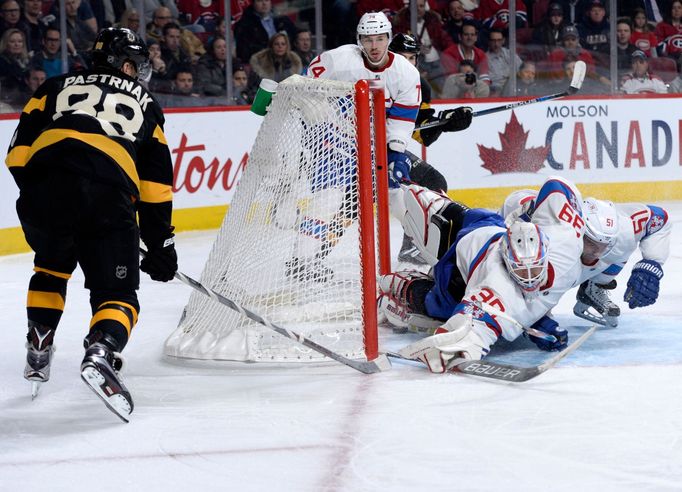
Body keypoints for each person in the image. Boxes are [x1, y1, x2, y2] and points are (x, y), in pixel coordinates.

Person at [5, 27, 177, 421]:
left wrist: (51, 192)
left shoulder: (52, 86)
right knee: (118, 293)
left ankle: (39, 343)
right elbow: (155, 186)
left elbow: (16, 156)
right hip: (107, 194)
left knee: (50, 265)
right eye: (135, 63)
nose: (138, 72)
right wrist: (160, 245)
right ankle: (101, 350)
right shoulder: (146, 101)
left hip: (43, 192)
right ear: (120, 62)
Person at [378, 176, 585, 372]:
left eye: (535, 268)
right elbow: (468, 328)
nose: (529, 278)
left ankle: (426, 201)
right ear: (507, 261)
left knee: (448, 216)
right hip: (459, 264)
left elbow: (557, 186)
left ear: (546, 254)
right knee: (436, 307)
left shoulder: (565, 244)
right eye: (521, 270)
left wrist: (542, 323)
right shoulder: (497, 281)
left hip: (491, 225)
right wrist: (451, 352)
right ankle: (399, 285)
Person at [289, 12, 421, 280]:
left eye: (380, 39)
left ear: (389, 39)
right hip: (335, 143)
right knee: (327, 201)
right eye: (368, 39)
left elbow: (402, 119)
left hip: (375, 148)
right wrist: (315, 114)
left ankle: (428, 252)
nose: (374, 46)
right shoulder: (338, 59)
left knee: (399, 198)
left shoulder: (406, 73)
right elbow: (305, 85)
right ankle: (301, 262)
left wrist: (395, 152)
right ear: (359, 40)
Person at [574, 198, 671, 328]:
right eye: (591, 242)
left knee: (623, 244)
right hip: (562, 262)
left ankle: (594, 286)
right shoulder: (556, 244)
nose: (597, 253)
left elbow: (659, 218)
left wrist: (652, 263)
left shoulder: (624, 230)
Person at [486, 28, 522, 95]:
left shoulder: (510, 54)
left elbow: (521, 69)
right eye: (493, 41)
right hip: (497, 91)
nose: (496, 44)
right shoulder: (485, 59)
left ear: (503, 41)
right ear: (489, 42)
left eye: (499, 40)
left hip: (516, 88)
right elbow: (492, 81)